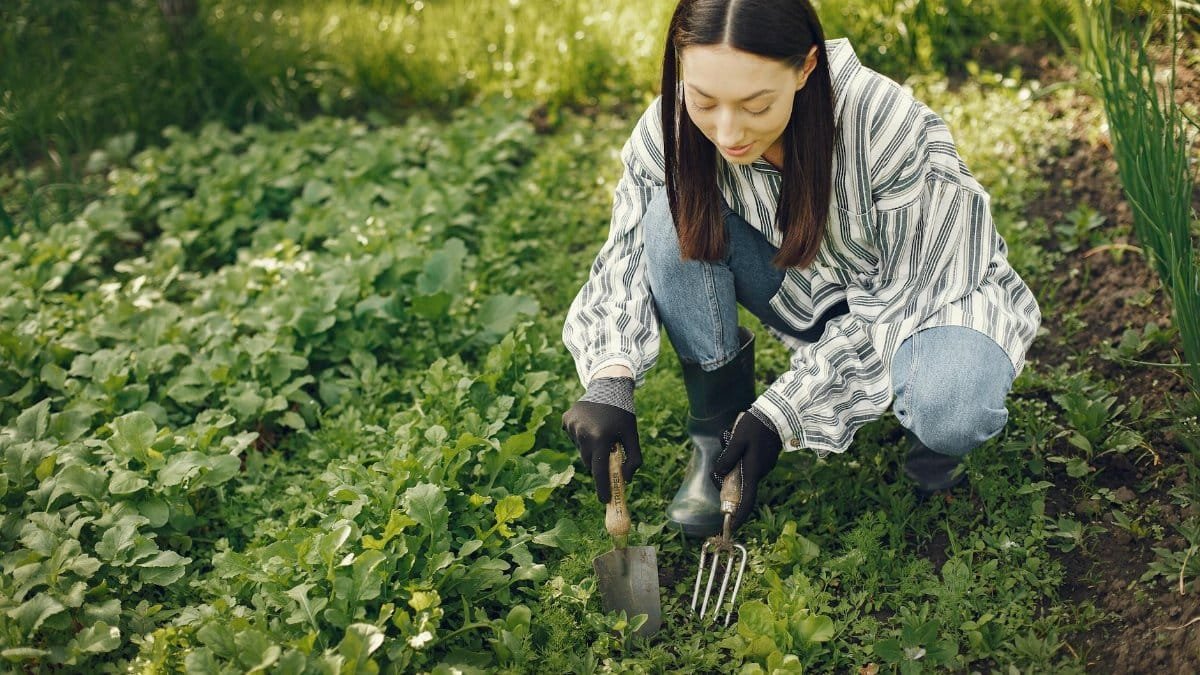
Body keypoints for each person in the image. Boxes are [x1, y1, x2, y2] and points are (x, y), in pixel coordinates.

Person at [561, 0, 1040, 537]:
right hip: (804, 290)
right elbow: (625, 251)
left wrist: (779, 414)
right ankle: (719, 443)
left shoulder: (882, 122)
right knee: (669, 216)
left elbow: (909, 295)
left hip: (930, 298)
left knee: (952, 406)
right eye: (703, 100)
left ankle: (928, 434)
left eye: (756, 105)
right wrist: (609, 379)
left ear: (807, 67)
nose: (727, 131)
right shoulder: (672, 123)